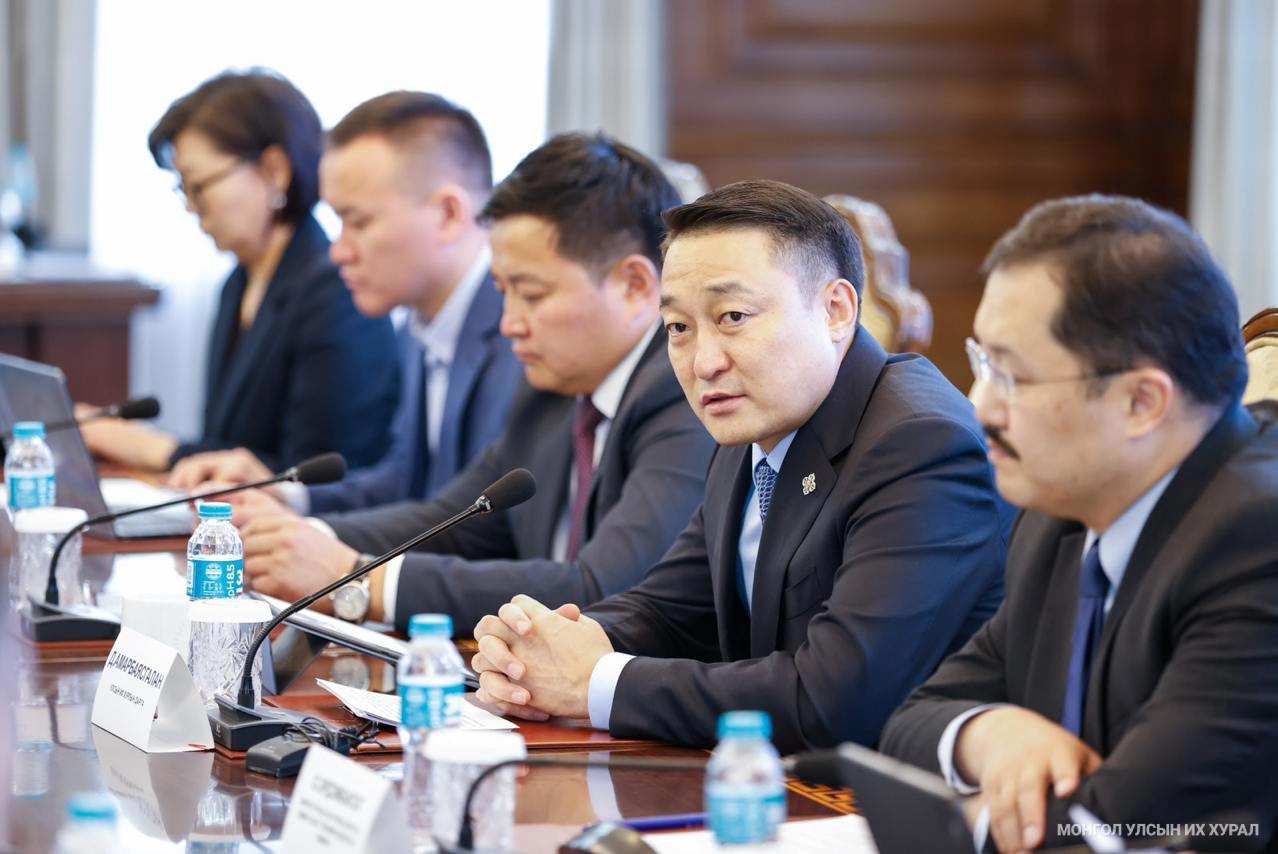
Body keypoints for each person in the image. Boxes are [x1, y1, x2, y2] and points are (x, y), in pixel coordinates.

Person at [470, 179, 1007, 751]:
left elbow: (834, 699)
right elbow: (674, 608)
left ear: (836, 311)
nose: (704, 363)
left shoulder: (921, 445)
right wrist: (545, 648)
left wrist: (593, 683)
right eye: (679, 328)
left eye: (732, 316)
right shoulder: (754, 426)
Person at [878, 195, 1278, 852]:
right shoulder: (1059, 515)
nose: (980, 407)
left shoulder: (1256, 542)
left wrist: (958, 821)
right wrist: (990, 734)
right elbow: (910, 723)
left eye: (1012, 376)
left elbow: (1123, 823)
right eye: (984, 365)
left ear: (1142, 401)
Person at [237, 133, 716, 631]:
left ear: (635, 286)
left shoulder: (684, 393)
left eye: (533, 294)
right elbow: (454, 521)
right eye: (503, 292)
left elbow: (604, 589)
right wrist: (298, 538)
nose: (509, 323)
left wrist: (358, 580)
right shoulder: (551, 391)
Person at [167, 91, 520, 516]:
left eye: (359, 222)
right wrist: (287, 496)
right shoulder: (417, 332)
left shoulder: (520, 337)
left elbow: (480, 528)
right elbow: (402, 482)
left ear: (447, 215)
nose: (338, 252)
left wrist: (322, 541)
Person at [80, 69, 397, 472]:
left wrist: (157, 449)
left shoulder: (337, 289)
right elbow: (228, 445)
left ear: (275, 170)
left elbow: (321, 472)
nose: (191, 207)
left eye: (199, 187)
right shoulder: (237, 284)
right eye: (182, 190)